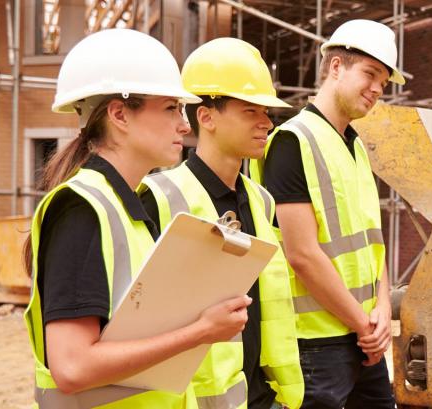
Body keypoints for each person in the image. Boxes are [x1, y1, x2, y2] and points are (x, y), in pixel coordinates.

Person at [24, 29, 251, 408]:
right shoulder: (82, 210)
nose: (185, 125)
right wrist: (200, 331)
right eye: (170, 108)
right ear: (119, 114)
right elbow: (73, 367)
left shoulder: (126, 206)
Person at [139, 37, 304, 409]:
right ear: (207, 116)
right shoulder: (158, 198)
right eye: (251, 111)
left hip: (264, 397)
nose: (267, 122)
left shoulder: (261, 201)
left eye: (267, 112)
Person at [248, 19, 404, 409]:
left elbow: (373, 245)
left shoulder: (357, 148)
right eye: (370, 74)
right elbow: (301, 254)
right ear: (336, 67)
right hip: (316, 345)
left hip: (362, 334)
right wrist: (364, 325)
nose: (376, 89)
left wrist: (383, 310)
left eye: (384, 82)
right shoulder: (291, 142)